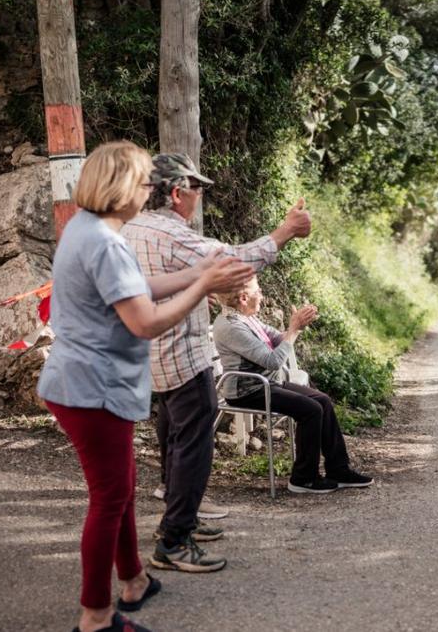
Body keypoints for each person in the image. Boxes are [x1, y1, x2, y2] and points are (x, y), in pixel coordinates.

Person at [38, 141, 252, 632]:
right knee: (109, 499)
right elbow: (146, 321)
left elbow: (136, 287)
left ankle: (133, 581)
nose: (150, 190)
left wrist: (199, 271)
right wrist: (202, 287)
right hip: (90, 388)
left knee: (122, 491)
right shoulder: (106, 242)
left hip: (84, 383)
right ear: (120, 187)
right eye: (143, 181)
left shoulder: (87, 229)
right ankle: (96, 616)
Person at [121, 153, 312, 573]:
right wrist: (286, 231)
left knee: (172, 436)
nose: (200, 196)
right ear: (176, 193)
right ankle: (174, 540)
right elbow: (237, 264)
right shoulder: (171, 233)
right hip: (182, 356)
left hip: (149, 355)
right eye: (197, 188)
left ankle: (176, 522)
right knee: (193, 445)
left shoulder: (131, 228)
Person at [213, 275, 373, 493]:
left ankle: (339, 469)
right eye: (258, 291)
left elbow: (278, 339)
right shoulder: (231, 326)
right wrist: (294, 329)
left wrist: (298, 324)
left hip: (267, 383)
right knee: (311, 410)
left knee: (323, 401)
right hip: (247, 389)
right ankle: (303, 479)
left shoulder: (246, 318)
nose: (262, 295)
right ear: (243, 298)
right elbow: (273, 360)